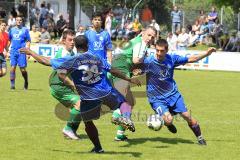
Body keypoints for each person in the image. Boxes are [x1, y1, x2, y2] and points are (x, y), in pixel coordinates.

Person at [20, 35, 141, 153]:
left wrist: (31, 52)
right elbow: (113, 70)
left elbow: (46, 61)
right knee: (124, 103)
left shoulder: (72, 60)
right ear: (87, 45)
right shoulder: (96, 57)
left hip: (88, 96)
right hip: (105, 90)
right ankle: (124, 117)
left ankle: (98, 148)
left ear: (76, 47)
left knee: (88, 122)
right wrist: (129, 79)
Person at [139, 39, 216, 145]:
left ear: (167, 50)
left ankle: (200, 138)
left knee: (187, 116)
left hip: (173, 95)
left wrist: (207, 53)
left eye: (162, 51)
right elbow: (135, 69)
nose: (159, 53)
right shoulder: (148, 61)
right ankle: (168, 123)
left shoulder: (172, 59)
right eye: (157, 50)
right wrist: (135, 72)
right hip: (156, 98)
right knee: (168, 120)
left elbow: (192, 59)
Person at [110, 26, 157, 141]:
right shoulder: (141, 43)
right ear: (143, 33)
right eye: (149, 35)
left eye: (153, 37)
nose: (150, 38)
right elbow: (136, 60)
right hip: (120, 71)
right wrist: (147, 61)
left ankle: (120, 134)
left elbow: (129, 58)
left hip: (116, 69)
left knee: (128, 102)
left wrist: (136, 69)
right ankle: (116, 115)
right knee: (128, 102)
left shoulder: (134, 41)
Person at [8, 15, 31, 89]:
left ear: (22, 21)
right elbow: (9, 40)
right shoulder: (11, 30)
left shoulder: (25, 30)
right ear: (15, 21)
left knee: (23, 70)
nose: (19, 21)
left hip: (22, 52)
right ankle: (12, 85)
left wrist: (28, 51)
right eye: (17, 20)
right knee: (12, 67)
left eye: (20, 20)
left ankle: (26, 81)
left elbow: (28, 41)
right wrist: (6, 50)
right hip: (13, 51)